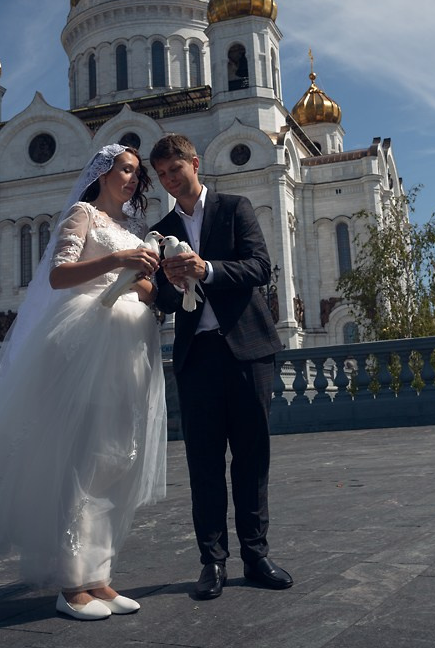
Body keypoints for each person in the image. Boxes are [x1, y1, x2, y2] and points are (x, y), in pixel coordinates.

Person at [0, 144, 166, 622]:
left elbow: (147, 291)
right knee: (80, 457)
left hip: (129, 346)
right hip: (86, 341)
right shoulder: (82, 215)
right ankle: (70, 583)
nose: (132, 179)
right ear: (102, 172)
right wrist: (118, 260)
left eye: (136, 173)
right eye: (125, 170)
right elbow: (59, 275)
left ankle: (98, 575)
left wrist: (144, 274)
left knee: (115, 457)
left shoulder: (131, 230)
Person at [149, 134, 292, 599]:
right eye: (162, 175)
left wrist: (206, 269)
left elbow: (259, 268)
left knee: (252, 458)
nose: (170, 180)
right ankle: (212, 562)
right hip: (197, 357)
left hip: (248, 350)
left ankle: (256, 555)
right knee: (204, 464)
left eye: (175, 169)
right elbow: (164, 300)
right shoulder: (161, 230)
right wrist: (172, 284)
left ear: (195, 164)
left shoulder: (234, 208)